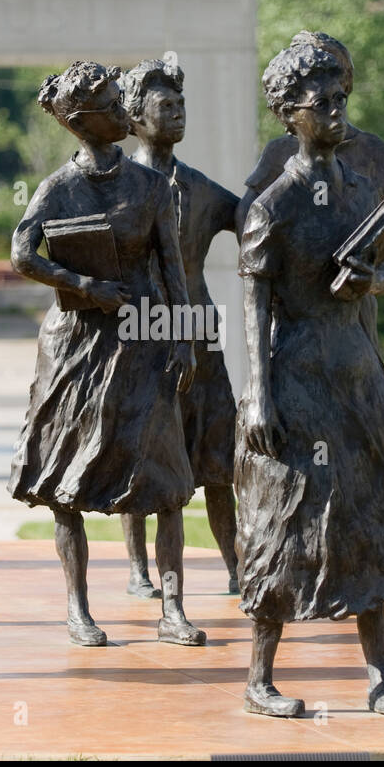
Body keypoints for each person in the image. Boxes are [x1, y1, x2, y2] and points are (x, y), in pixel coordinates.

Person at [235, 42, 384, 718]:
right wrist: (261, 394)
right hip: (297, 374)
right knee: (284, 524)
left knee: (367, 519)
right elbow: (253, 304)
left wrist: (374, 277)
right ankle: (259, 678)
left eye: (342, 98)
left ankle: (379, 675)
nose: (338, 111)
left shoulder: (363, 191)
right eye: (322, 102)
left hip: (357, 372)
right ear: (288, 114)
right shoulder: (272, 206)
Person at [7, 61, 203, 648]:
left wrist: (184, 339)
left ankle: (172, 606)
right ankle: (79, 608)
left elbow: (171, 265)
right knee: (66, 481)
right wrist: (83, 285)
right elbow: (21, 254)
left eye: (123, 102)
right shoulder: (58, 187)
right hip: (75, 347)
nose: (124, 113)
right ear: (79, 120)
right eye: (112, 106)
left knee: (166, 479)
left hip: (142, 341)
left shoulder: (150, 188)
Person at [116, 57, 241, 597]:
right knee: (142, 452)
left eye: (181, 105)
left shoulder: (201, 189)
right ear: (135, 118)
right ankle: (140, 571)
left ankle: (237, 565)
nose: (177, 114)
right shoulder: (118, 186)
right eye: (165, 107)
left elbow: (254, 221)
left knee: (217, 453)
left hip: (199, 331)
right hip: (142, 330)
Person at [236, 31, 384, 346]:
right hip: (296, 312)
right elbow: (247, 214)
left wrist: (369, 271)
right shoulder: (279, 152)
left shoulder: (373, 151)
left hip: (356, 311)